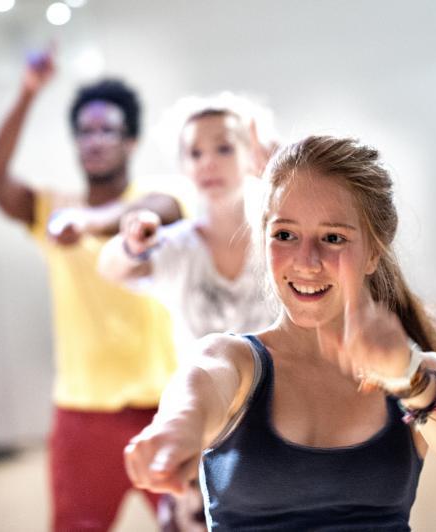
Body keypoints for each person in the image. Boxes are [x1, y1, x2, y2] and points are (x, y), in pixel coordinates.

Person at [124, 135, 436, 530]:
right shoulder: (232, 361)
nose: (307, 261)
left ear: (374, 251)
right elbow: (193, 396)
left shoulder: (421, 373)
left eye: (333, 238)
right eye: (285, 235)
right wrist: (173, 432)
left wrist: (409, 379)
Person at [0, 50, 181, 531]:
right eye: (84, 132)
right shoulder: (51, 207)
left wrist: (89, 221)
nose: (93, 141)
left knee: (192, 523)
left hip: (164, 405)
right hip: (81, 412)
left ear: (130, 141)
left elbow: (156, 210)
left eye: (106, 130)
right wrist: (27, 92)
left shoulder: (160, 199)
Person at [98, 96, 279, 530]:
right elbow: (111, 266)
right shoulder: (178, 246)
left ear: (252, 155)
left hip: (279, 425)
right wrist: (131, 244)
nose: (208, 163)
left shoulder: (281, 238)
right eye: (194, 152)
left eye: (223, 147)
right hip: (205, 428)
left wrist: (284, 175)